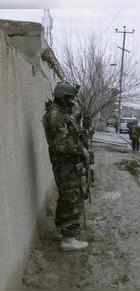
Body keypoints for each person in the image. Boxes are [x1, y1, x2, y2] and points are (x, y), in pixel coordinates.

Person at [42, 81, 89, 251]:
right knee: (71, 197)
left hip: (68, 163)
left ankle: (64, 232)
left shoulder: (61, 113)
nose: (72, 101)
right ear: (62, 98)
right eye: (70, 98)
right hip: (65, 164)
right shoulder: (55, 116)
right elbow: (60, 145)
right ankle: (69, 239)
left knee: (68, 196)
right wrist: (80, 150)